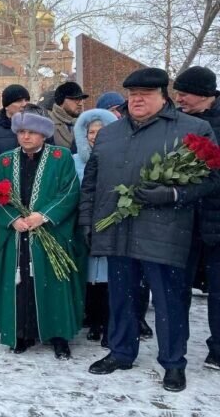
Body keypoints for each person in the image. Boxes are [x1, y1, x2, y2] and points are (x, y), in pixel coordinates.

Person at [82, 67, 218, 392]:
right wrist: (87, 221)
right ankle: (121, 351)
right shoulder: (109, 134)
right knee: (121, 297)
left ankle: (173, 363)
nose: (136, 100)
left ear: (163, 96)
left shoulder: (193, 129)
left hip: (165, 233)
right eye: (131, 95)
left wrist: (173, 194)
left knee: (170, 300)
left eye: (145, 94)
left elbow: (213, 178)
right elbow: (91, 183)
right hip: (117, 229)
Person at [0, 107, 85, 359]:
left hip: (50, 233)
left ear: (43, 134)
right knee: (20, 284)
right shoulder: (5, 160)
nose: (26, 137)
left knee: (52, 283)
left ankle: (58, 336)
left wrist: (43, 216)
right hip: (17, 236)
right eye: (21, 131)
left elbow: (69, 192)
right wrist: (13, 220)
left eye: (32, 132)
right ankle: (20, 332)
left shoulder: (60, 157)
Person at [173, 66, 220, 371]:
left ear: (205, 94)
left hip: (216, 220)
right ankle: (175, 347)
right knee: (177, 288)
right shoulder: (180, 122)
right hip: (184, 222)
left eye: (184, 93)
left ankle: (218, 349)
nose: (179, 98)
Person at [72, 108, 118, 348]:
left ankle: (108, 322)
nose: (95, 136)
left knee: (108, 278)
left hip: (110, 226)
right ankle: (93, 320)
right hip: (83, 227)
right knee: (88, 277)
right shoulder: (73, 162)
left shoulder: (118, 160)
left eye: (101, 131)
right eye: (91, 131)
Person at [49, 81, 88, 151]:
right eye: (76, 99)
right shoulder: (49, 124)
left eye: (81, 100)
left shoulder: (86, 123)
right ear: (62, 100)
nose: (80, 104)